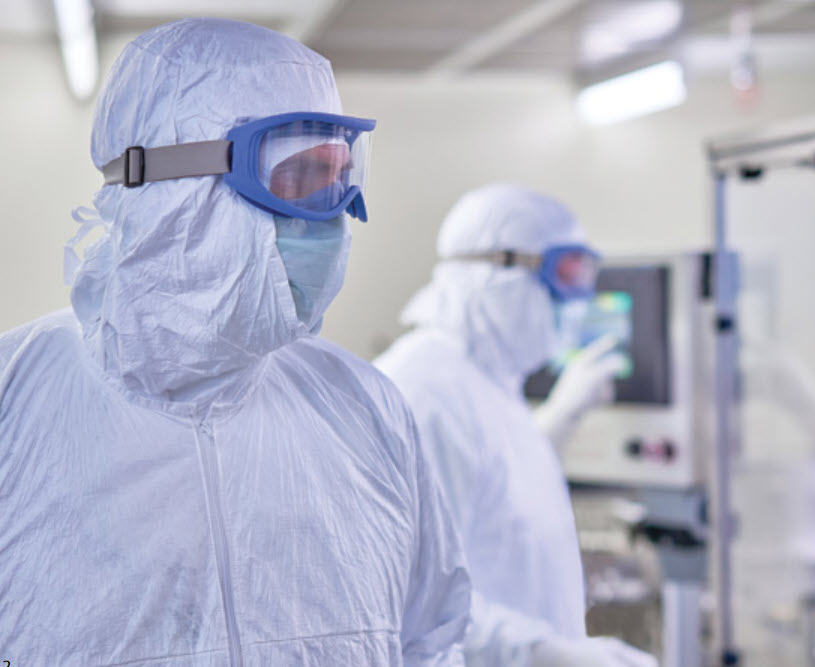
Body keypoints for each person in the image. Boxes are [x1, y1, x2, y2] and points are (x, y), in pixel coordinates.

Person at [0, 18, 470, 666]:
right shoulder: (14, 402)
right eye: (298, 175)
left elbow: (432, 639)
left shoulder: (365, 409)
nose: (330, 213)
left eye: (338, 175)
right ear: (170, 189)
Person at [375, 184, 658, 667]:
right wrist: (545, 652)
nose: (576, 299)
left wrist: (558, 419)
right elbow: (412, 593)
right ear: (494, 271)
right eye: (564, 273)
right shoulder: (425, 391)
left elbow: (494, 506)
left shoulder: (488, 382)